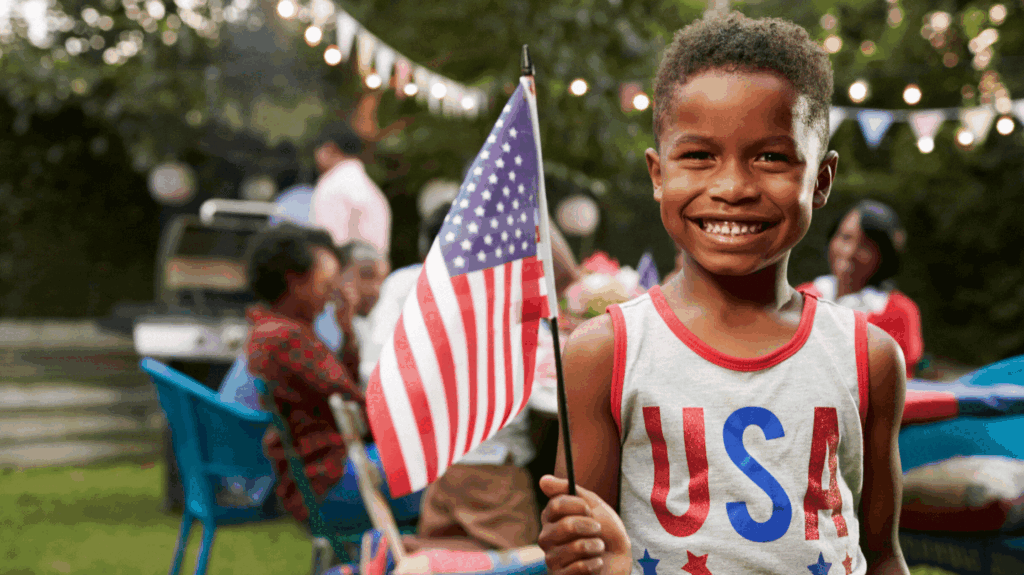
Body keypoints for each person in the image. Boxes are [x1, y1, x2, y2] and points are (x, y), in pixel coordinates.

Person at [537, 12, 908, 575]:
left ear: (822, 179)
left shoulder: (870, 358)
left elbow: (882, 556)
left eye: (771, 157)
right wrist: (587, 558)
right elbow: (589, 561)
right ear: (657, 174)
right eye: (699, 156)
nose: (732, 186)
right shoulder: (605, 353)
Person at [243, 224, 419, 526]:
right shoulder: (286, 339)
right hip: (329, 482)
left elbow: (338, 393)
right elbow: (357, 409)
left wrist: (347, 329)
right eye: (326, 286)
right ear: (295, 282)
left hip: (322, 478)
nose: (331, 297)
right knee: (447, 470)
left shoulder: (276, 331)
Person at [797, 200, 923, 377]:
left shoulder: (900, 312)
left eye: (865, 246)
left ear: (884, 255)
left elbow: (900, 381)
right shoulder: (803, 295)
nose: (849, 252)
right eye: (845, 237)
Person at [309, 123, 392, 260]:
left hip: (345, 272)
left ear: (329, 149)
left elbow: (328, 243)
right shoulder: (372, 190)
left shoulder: (331, 186)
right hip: (375, 273)